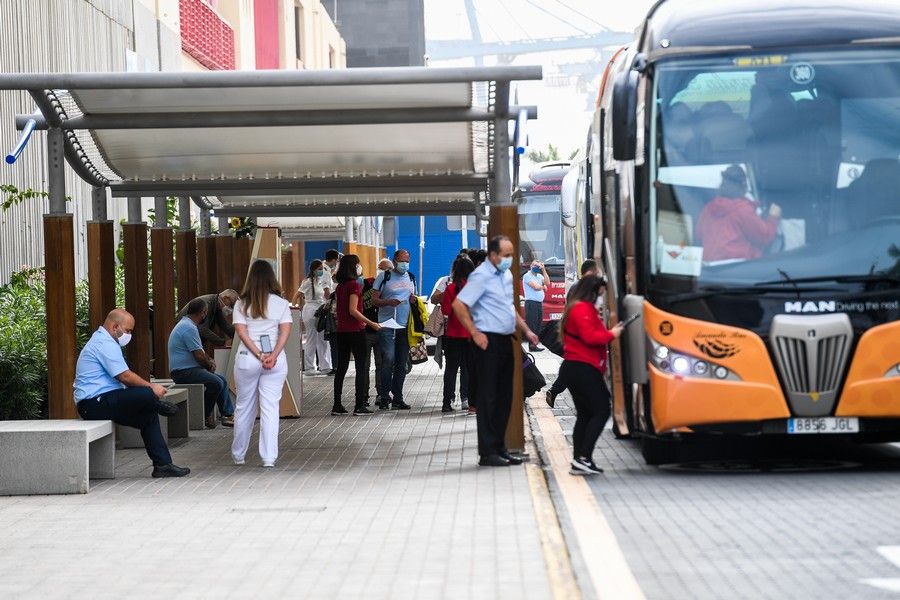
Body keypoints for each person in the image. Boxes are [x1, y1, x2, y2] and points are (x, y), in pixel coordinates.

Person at [453, 235, 540, 467]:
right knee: (488, 396)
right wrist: (475, 333)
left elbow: (509, 307)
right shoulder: (480, 276)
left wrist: (527, 331)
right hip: (487, 342)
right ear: (493, 255)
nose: (510, 259)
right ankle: (488, 452)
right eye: (506, 255)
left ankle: (500, 448)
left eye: (512, 254)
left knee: (505, 396)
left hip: (506, 340)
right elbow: (459, 305)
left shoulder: (506, 275)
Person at [74, 309, 190, 478]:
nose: (129, 335)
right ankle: (156, 403)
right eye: (127, 331)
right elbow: (125, 376)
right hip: (93, 404)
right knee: (146, 393)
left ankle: (163, 465)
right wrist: (152, 388)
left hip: (106, 400)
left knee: (148, 415)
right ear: (115, 327)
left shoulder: (107, 341)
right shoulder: (103, 343)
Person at [556, 275, 624, 475]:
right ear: (592, 291)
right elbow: (590, 337)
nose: (601, 298)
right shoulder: (582, 308)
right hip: (582, 367)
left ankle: (580, 460)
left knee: (585, 414)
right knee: (602, 409)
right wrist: (613, 334)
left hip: (577, 367)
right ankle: (583, 457)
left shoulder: (578, 307)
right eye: (601, 294)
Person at [231, 260, 293, 468]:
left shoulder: (241, 304)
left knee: (244, 406)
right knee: (270, 408)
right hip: (275, 361)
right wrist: (272, 355)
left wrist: (258, 354)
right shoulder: (282, 304)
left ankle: (239, 455)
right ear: (271, 278)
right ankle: (269, 458)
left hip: (248, 359)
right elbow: (285, 332)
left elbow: (242, 332)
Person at [168, 298, 235, 429]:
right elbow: (199, 356)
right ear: (203, 312)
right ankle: (204, 415)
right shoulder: (188, 328)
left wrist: (209, 360)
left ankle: (227, 415)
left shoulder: (187, 325)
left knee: (221, 380)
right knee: (216, 382)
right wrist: (209, 365)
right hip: (183, 372)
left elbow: (200, 351)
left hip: (188, 369)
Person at [696, 165, 782, 262]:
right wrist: (773, 217)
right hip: (738, 270)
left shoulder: (708, 209)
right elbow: (765, 237)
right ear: (743, 186)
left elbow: (699, 236)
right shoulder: (742, 210)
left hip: (711, 271)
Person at [332, 255, 383, 416]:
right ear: (353, 267)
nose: (360, 266)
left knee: (341, 368)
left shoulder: (340, 286)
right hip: (356, 330)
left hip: (341, 331)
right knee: (361, 368)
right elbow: (353, 310)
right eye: (358, 264)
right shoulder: (354, 285)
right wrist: (372, 323)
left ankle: (337, 405)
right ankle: (359, 405)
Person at [371, 249, 417, 410]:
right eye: (402, 260)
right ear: (395, 261)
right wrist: (388, 302)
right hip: (387, 324)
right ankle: (384, 397)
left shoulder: (411, 277)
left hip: (404, 326)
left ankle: (398, 397)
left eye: (407, 260)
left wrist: (412, 300)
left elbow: (412, 298)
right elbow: (374, 300)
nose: (405, 264)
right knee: (388, 359)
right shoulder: (384, 276)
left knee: (401, 362)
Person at [440, 254, 475, 413]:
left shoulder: (450, 288)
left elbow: (446, 311)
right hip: (470, 336)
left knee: (451, 369)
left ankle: (446, 403)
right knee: (468, 369)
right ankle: (467, 401)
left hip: (453, 335)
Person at [362, 258, 393, 406]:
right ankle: (364, 395)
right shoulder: (367, 285)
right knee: (365, 365)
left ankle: (381, 394)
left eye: (386, 270)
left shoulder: (392, 288)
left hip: (383, 330)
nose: (383, 272)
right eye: (381, 269)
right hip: (367, 330)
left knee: (382, 364)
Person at [293, 259, 332, 375]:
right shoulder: (307, 282)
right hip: (310, 310)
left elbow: (327, 295)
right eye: (320, 269)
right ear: (314, 270)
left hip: (321, 310)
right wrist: (294, 309)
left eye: (323, 269)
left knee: (323, 339)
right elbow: (296, 296)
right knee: (311, 338)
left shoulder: (321, 281)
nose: (322, 271)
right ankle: (309, 367)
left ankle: (325, 366)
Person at [175, 289, 239, 347]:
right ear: (225, 298)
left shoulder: (216, 305)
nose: (231, 309)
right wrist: (222, 342)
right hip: (183, 337)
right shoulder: (207, 304)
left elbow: (225, 325)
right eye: (231, 305)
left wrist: (239, 334)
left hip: (189, 337)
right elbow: (202, 329)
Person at [522, 260, 549, 352]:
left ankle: (534, 345)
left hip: (538, 303)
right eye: (535, 266)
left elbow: (547, 282)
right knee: (532, 324)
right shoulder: (527, 276)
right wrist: (543, 287)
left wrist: (544, 270)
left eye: (539, 266)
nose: (537, 268)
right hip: (531, 303)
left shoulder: (540, 276)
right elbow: (535, 287)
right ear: (531, 266)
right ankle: (531, 346)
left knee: (538, 324)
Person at [322, 250, 341, 375]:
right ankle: (332, 365)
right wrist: (331, 301)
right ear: (334, 259)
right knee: (330, 340)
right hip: (330, 308)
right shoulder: (324, 271)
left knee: (330, 341)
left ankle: (333, 365)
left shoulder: (327, 270)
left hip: (329, 306)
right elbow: (327, 290)